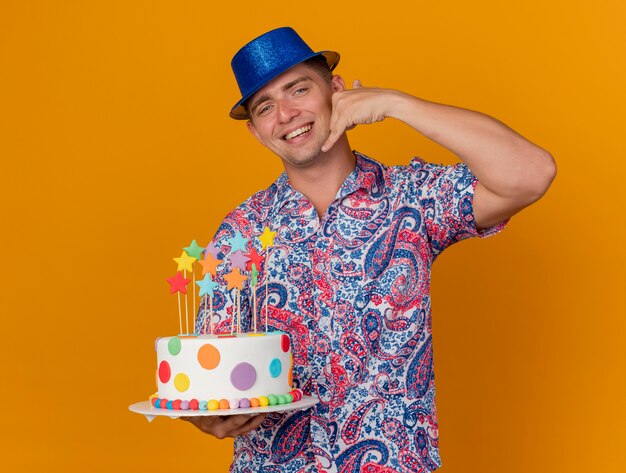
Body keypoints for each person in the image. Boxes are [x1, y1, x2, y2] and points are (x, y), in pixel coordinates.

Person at [182, 27, 556, 472]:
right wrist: (207, 414)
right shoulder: (238, 234)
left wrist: (398, 104)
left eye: (298, 89)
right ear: (256, 132)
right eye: (265, 107)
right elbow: (211, 375)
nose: (285, 113)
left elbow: (532, 173)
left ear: (337, 92)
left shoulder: (411, 198)